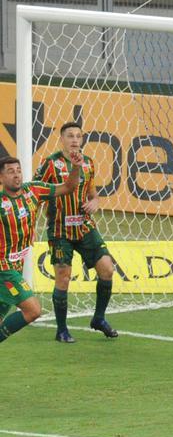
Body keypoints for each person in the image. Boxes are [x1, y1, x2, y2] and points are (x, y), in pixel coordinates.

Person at [35, 121, 118, 343]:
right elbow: (35, 192)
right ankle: (62, 330)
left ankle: (98, 318)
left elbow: (92, 193)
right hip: (60, 229)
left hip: (85, 226)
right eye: (70, 136)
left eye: (78, 136)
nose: (74, 140)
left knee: (107, 269)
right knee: (63, 276)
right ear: (61, 139)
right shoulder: (50, 164)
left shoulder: (88, 163)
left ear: (82, 139)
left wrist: (95, 202)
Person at [0, 154, 81, 347]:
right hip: (4, 269)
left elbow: (68, 187)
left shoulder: (33, 190)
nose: (16, 175)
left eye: (18, 170)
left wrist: (76, 167)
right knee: (33, 310)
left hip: (16, 266)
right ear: (1, 177)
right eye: (10, 172)